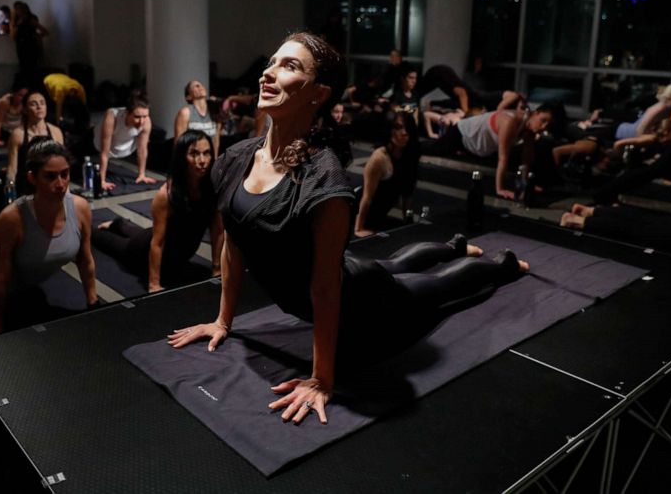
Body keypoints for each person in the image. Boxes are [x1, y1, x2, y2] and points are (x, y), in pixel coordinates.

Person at [167, 32, 529, 425]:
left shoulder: (323, 178)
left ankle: (501, 264)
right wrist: (223, 321)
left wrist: (322, 378)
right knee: (392, 262)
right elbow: (233, 245)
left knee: (434, 287)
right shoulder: (236, 158)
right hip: (346, 271)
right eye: (272, 62)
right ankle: (454, 245)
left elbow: (325, 287)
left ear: (319, 94)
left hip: (361, 299)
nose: (268, 74)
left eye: (288, 66)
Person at [93, 130, 224, 292]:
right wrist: (154, 283)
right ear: (182, 157)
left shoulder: (213, 188)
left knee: (144, 231)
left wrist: (217, 267)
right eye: (194, 154)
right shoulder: (167, 194)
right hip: (142, 250)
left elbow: (217, 231)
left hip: (173, 250)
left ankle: (119, 223)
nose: (202, 160)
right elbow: (157, 243)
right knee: (111, 243)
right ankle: (90, 229)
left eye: (207, 153)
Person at [0, 140, 96, 333]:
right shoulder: (11, 219)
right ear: (32, 178)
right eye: (50, 177)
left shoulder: (80, 208)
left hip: (33, 277)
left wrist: (93, 303)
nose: (61, 184)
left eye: (65, 174)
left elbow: (85, 259)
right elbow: (1, 279)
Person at [424, 101, 557, 199]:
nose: (543, 127)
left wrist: (527, 184)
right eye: (543, 120)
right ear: (535, 113)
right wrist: (500, 189)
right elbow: (503, 157)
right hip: (462, 134)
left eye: (548, 125)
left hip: (478, 146)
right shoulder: (510, 121)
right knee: (431, 149)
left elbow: (526, 160)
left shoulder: (530, 130)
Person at [354, 112, 420, 237]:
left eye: (407, 128)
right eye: (398, 128)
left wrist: (407, 221)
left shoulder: (410, 155)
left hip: (380, 215)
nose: (404, 133)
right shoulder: (379, 158)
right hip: (359, 211)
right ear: (389, 130)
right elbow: (367, 197)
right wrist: (359, 228)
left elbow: (408, 192)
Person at [92, 97, 156, 192]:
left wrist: (142, 174)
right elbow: (104, 152)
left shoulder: (146, 122)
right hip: (95, 142)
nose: (142, 121)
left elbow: (142, 150)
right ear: (127, 113)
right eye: (137, 117)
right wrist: (102, 181)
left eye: (145, 116)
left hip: (123, 145)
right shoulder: (112, 117)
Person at [6, 91, 65, 192]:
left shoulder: (56, 132)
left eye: (42, 103)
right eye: (34, 104)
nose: (39, 107)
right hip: (26, 186)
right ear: (25, 110)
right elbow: (12, 168)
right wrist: (10, 188)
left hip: (50, 185)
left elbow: (62, 164)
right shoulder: (18, 135)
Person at [174, 80, 221, 156]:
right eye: (196, 86)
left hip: (208, 158)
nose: (200, 87)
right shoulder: (185, 113)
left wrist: (215, 161)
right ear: (188, 97)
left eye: (201, 85)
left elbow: (216, 140)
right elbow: (179, 143)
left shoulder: (214, 111)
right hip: (193, 159)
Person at [12, 1, 49, 91]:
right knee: (24, 67)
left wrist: (36, 36)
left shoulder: (30, 20)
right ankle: (28, 88)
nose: (18, 11)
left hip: (30, 46)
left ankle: (32, 88)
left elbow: (44, 31)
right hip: (22, 46)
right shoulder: (17, 21)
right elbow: (13, 36)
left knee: (30, 68)